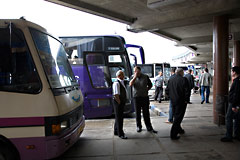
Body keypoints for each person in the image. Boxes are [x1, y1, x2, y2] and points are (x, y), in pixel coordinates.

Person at [130, 66, 157, 133]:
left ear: (139, 71)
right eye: (134, 71)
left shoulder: (145, 76)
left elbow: (150, 85)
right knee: (138, 113)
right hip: (136, 97)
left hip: (144, 97)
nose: (135, 72)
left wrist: (146, 89)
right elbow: (130, 84)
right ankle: (139, 126)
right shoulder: (132, 77)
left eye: (136, 71)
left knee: (146, 113)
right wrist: (135, 77)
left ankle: (149, 127)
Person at [167, 68, 189, 140]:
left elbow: (167, 90)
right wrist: (186, 100)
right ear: (181, 72)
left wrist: (170, 97)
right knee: (178, 117)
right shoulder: (183, 79)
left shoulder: (171, 79)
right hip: (181, 101)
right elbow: (187, 91)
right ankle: (173, 134)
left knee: (176, 115)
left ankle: (179, 129)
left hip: (173, 100)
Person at [221, 66, 240, 142]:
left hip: (233, 103)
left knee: (229, 118)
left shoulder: (237, 81)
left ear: (234, 72)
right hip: (236, 103)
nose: (231, 73)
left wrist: (234, 105)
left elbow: (236, 94)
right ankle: (237, 134)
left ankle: (229, 136)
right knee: (237, 119)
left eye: (232, 71)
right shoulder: (238, 80)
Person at [112, 70, 128, 139]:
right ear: (119, 76)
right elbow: (116, 94)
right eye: (122, 74)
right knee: (119, 118)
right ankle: (120, 133)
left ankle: (116, 130)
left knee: (118, 117)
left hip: (120, 102)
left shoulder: (121, 82)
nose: (123, 76)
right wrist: (119, 102)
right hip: (118, 102)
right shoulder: (116, 83)